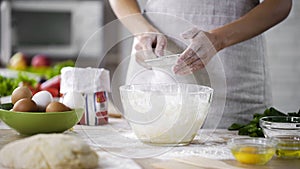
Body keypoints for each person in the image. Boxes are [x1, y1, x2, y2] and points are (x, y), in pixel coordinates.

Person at [109, 0, 292, 128]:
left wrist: (219, 39)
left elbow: (280, 3)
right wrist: (143, 31)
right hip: (158, 62)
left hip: (233, 66)